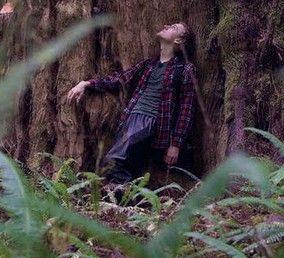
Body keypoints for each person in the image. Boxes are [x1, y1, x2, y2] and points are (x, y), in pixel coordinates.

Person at [66, 22, 197, 185]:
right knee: (127, 166)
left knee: (111, 163)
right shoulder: (149, 65)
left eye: (174, 27)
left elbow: (186, 109)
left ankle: (138, 200)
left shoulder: (184, 69)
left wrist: (176, 144)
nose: (166, 25)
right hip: (130, 118)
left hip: (150, 121)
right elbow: (119, 78)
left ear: (179, 41)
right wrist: (87, 84)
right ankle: (130, 201)